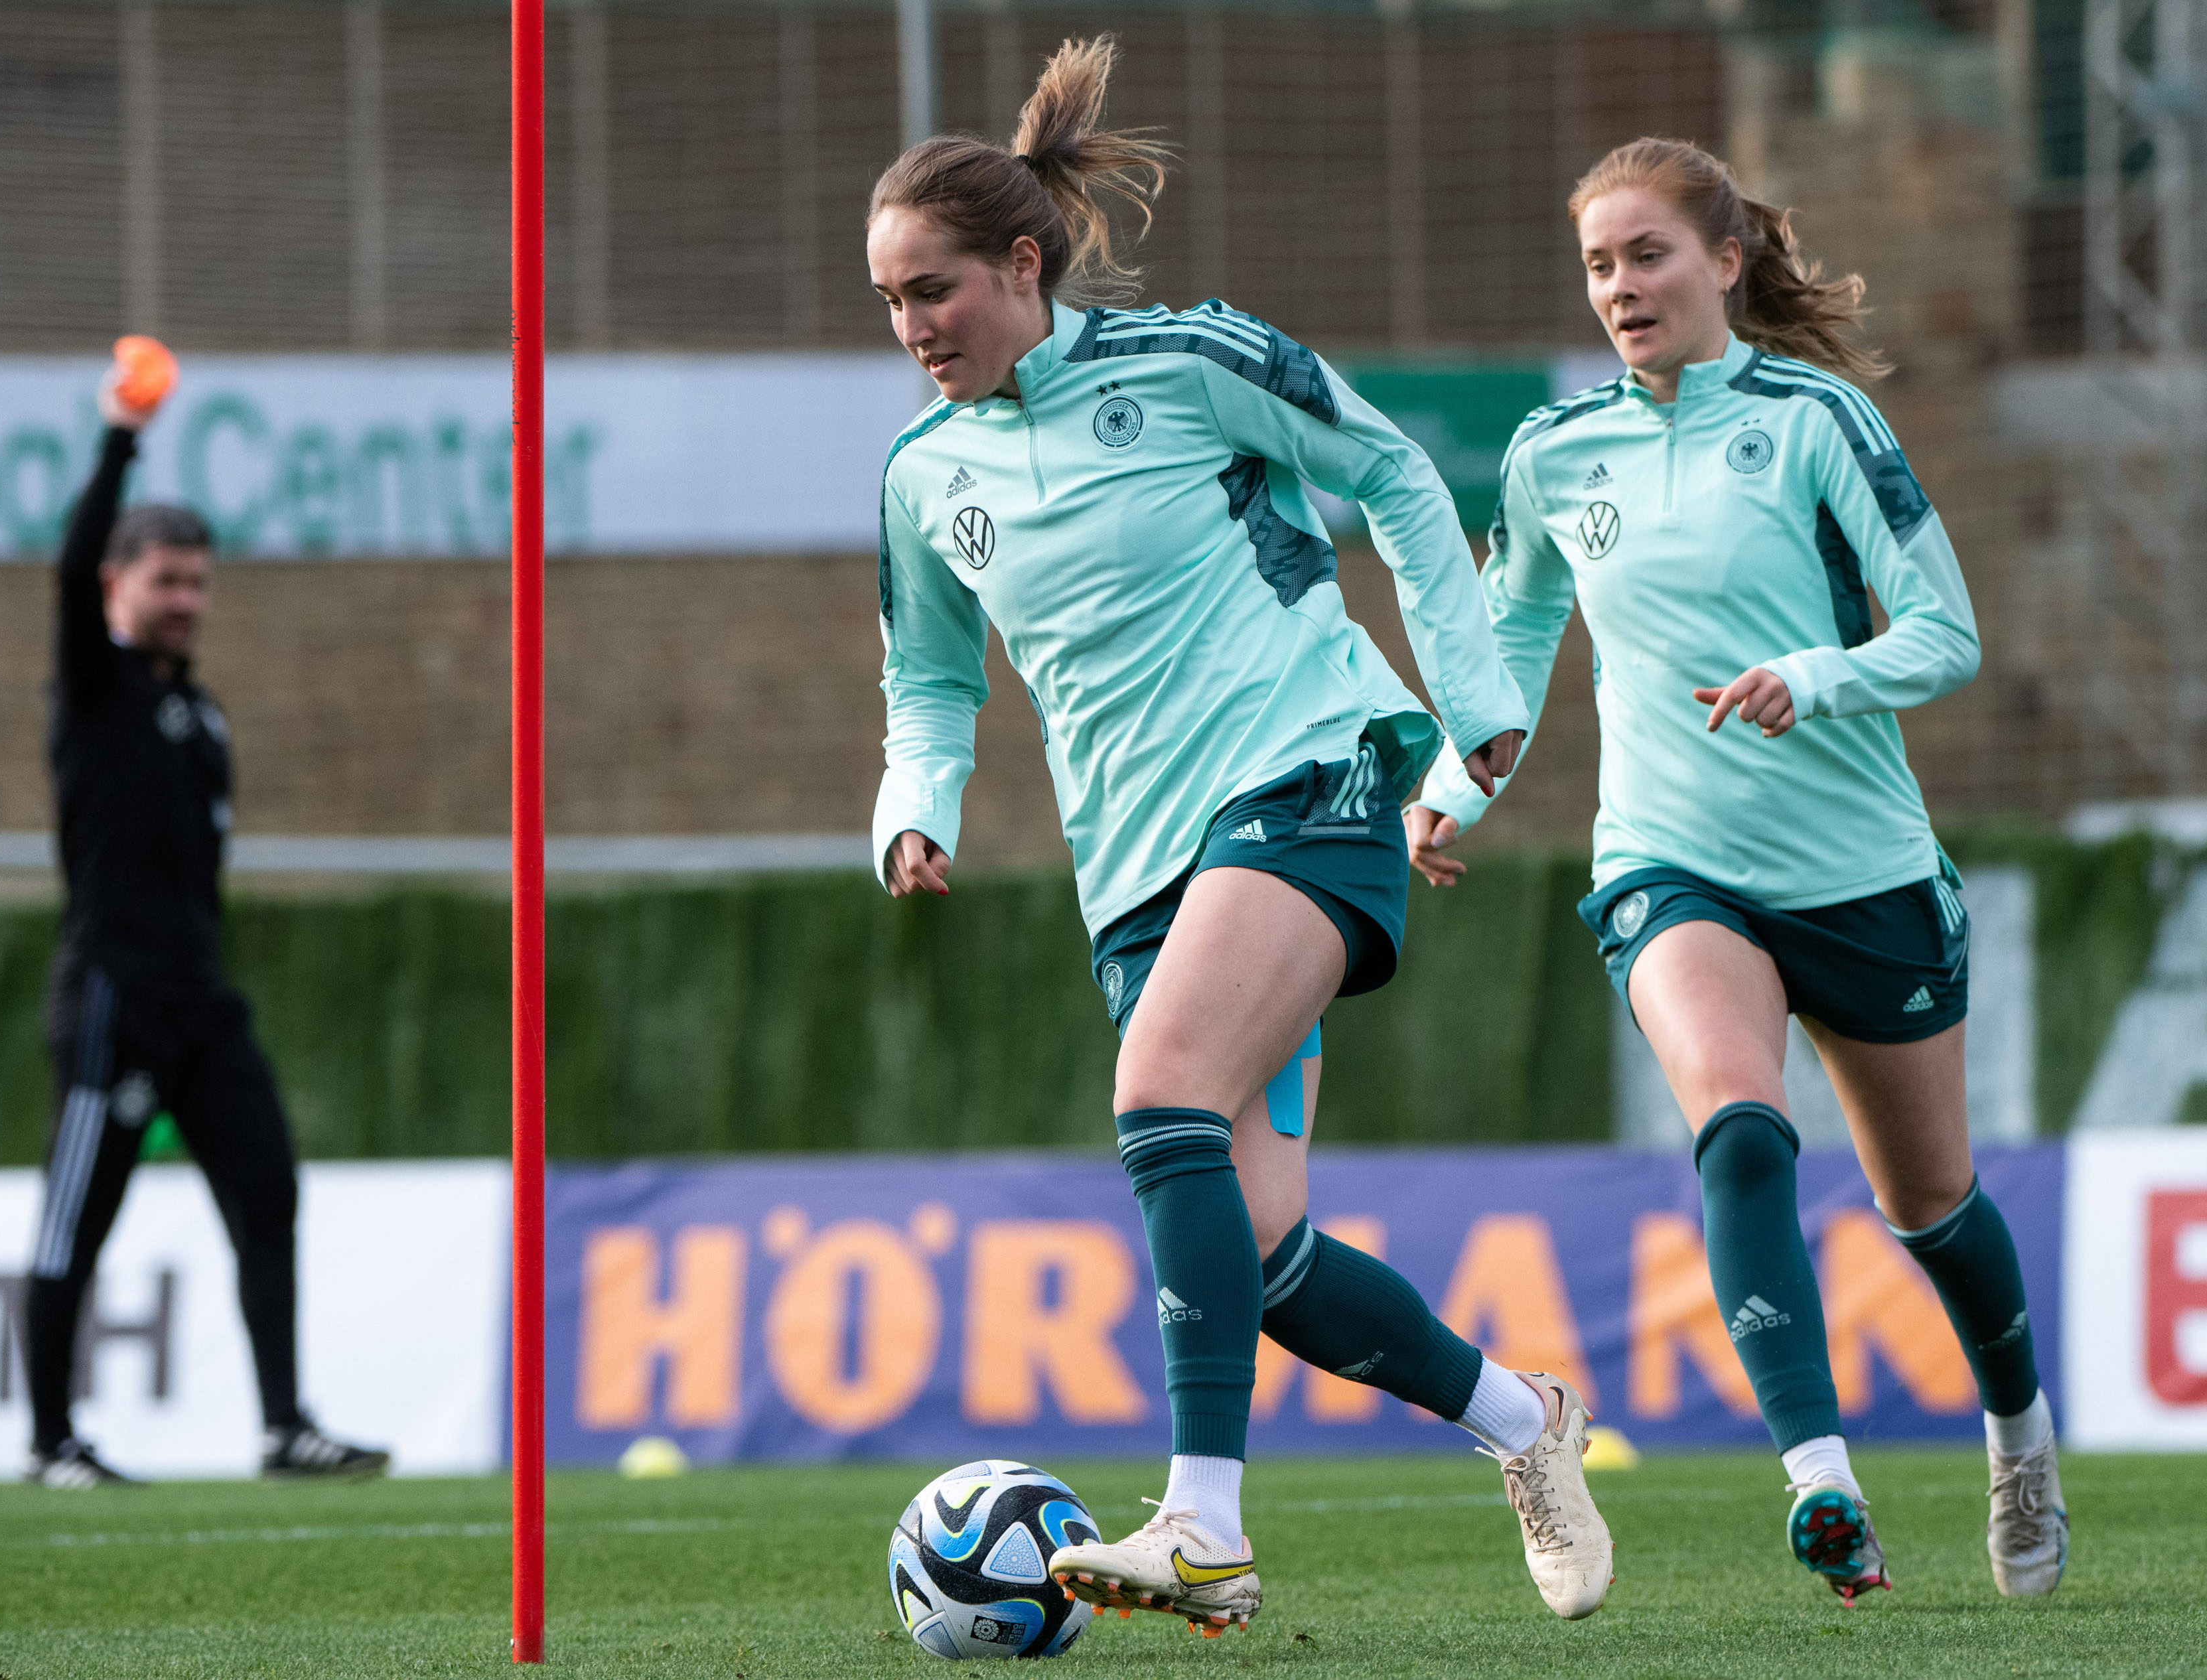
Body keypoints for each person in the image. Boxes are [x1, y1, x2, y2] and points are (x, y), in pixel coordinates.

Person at [867, 35, 1613, 1635]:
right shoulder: (925, 479)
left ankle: (1203, 1525)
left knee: (1157, 1102)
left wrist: (1467, 689)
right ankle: (1522, 1422)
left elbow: (1399, 476)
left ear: (1021, 262)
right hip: (1135, 870)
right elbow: (927, 681)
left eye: (933, 290)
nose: (913, 329)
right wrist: (912, 806)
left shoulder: (1197, 359)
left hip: (1309, 777)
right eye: (889, 304)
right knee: (1264, 1254)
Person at [1405, 137, 2066, 1603]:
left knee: (1931, 1209)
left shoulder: (1817, 419)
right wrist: (1455, 780)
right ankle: (1817, 1479)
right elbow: (1513, 646)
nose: (1622, 288)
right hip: (1669, 860)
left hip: (1861, 867)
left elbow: (1944, 635)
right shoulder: (1551, 452)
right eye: (1598, 265)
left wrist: (1816, 679)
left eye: (1648, 255)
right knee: (1741, 1125)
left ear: (1726, 262)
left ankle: (2018, 1436)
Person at [20, 356, 388, 1488]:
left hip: (200, 1005)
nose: (183, 599)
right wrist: (122, 437)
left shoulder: (199, 708)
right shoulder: (95, 686)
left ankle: (285, 1427)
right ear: (117, 586)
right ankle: (51, 1443)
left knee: (268, 1192)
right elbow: (70, 563)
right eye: (164, 580)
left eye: (197, 582)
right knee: (74, 1227)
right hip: (112, 1003)